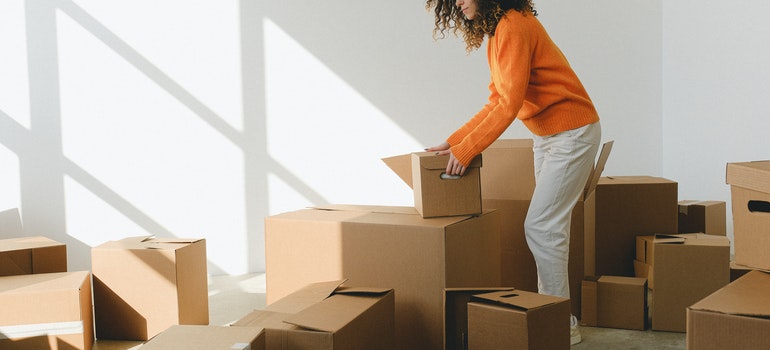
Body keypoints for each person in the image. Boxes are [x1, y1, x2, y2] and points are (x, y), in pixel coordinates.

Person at [425, 0, 601, 345]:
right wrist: (454, 140)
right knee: (550, 230)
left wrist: (468, 149)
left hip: (572, 134)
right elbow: (497, 100)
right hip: (549, 136)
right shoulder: (499, 32)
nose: (458, 2)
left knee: (541, 227)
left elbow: (509, 104)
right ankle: (558, 319)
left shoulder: (514, 25)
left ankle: (559, 327)